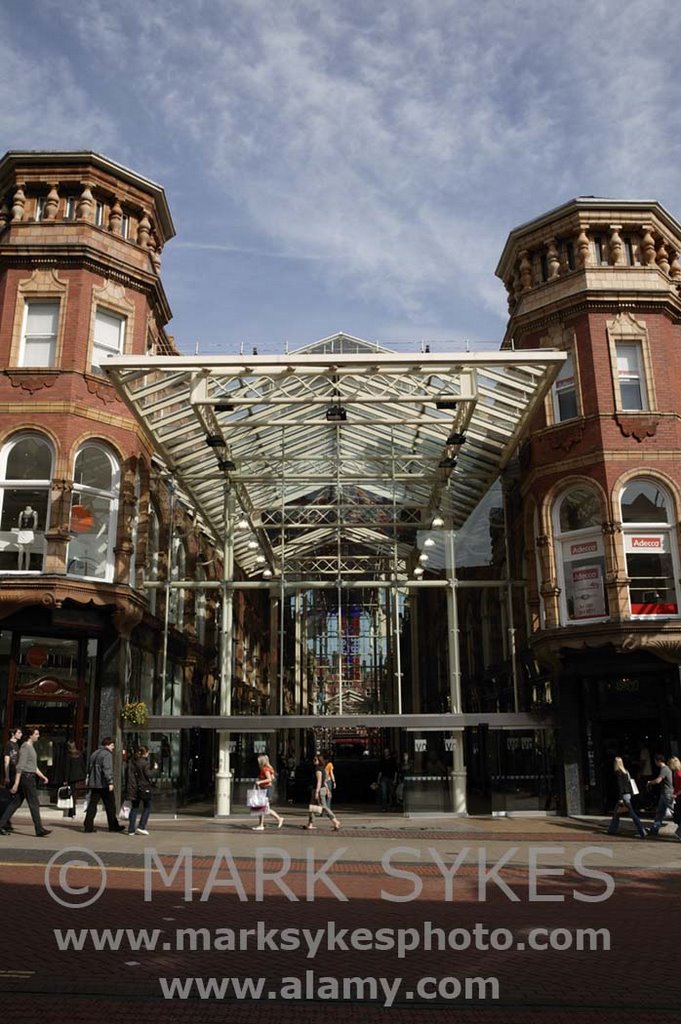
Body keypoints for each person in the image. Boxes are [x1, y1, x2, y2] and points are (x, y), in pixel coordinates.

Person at [0, 728, 50, 837]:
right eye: (36, 734)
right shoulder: (25, 747)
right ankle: (39, 829)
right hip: (27, 779)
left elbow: (33, 766)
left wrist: (42, 776)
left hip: (28, 777)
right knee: (34, 803)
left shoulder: (31, 747)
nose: (38, 736)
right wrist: (16, 783)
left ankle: (1, 824)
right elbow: (20, 766)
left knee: (15, 803)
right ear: (30, 736)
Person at [83, 737, 125, 834]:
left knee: (92, 805)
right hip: (104, 784)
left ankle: (88, 826)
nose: (113, 747)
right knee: (110, 806)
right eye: (112, 745)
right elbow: (107, 769)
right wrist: (110, 782)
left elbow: (89, 769)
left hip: (94, 784)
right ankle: (113, 825)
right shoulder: (107, 755)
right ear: (107, 745)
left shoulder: (94, 753)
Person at [606, 756, 645, 838]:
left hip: (623, 796)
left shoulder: (618, 773)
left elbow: (620, 786)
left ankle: (642, 830)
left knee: (632, 814)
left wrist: (620, 798)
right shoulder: (626, 772)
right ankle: (612, 830)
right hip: (628, 795)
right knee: (616, 814)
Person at [126, 746, 157, 836]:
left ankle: (131, 829)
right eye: (148, 752)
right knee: (147, 806)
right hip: (144, 788)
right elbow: (149, 775)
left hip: (133, 787)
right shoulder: (144, 763)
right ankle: (141, 826)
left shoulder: (132, 762)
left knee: (134, 807)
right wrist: (155, 769)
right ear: (145, 753)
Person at [305, 753, 340, 831]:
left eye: (315, 760)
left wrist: (317, 792)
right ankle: (310, 824)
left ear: (319, 761)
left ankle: (335, 821)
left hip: (319, 790)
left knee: (323, 807)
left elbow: (319, 781)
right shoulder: (322, 768)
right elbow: (324, 781)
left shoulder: (318, 770)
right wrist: (327, 790)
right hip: (320, 789)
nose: (313, 761)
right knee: (312, 807)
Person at [251, 754, 284, 831]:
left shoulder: (265, 769)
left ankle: (262, 825)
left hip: (265, 789)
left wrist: (260, 782)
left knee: (262, 808)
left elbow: (269, 779)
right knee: (264, 808)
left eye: (259, 761)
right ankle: (278, 819)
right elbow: (272, 778)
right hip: (267, 789)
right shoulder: (269, 769)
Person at [645, 753, 674, 837]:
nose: (655, 763)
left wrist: (650, 782)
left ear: (658, 761)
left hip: (667, 793)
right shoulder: (666, 768)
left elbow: (658, 780)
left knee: (675, 811)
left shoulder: (664, 769)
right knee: (660, 812)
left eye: (655, 761)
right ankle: (654, 829)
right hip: (664, 794)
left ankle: (654, 829)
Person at [62, 740, 86, 818]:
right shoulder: (80, 754)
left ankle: (72, 811)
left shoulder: (68, 755)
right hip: (80, 776)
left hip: (72, 777)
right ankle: (73, 811)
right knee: (75, 794)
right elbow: (83, 765)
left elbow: (67, 768)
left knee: (71, 794)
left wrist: (65, 779)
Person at [17, 505, 38, 570]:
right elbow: (19, 523)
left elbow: (35, 523)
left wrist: (33, 530)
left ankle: (26, 569)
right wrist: (20, 518)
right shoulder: (22, 513)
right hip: (22, 532)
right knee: (20, 552)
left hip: (29, 532)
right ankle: (19, 569)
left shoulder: (34, 513)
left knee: (27, 552)